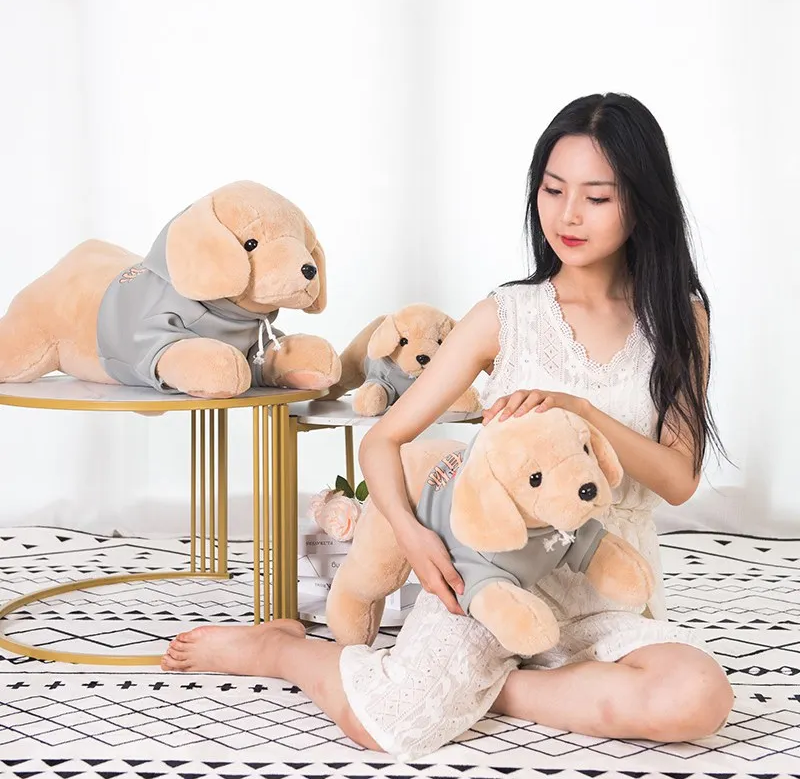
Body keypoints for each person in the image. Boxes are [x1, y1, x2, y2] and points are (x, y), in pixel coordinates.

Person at [161, 92, 734, 760]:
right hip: (491, 575)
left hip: (605, 579)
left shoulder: (680, 318)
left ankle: (492, 690)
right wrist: (415, 538)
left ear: (641, 202)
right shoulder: (507, 315)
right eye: (553, 190)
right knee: (390, 727)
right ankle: (282, 651)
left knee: (697, 698)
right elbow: (384, 440)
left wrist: (580, 411)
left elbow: (679, 480)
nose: (568, 215)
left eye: (597, 197)